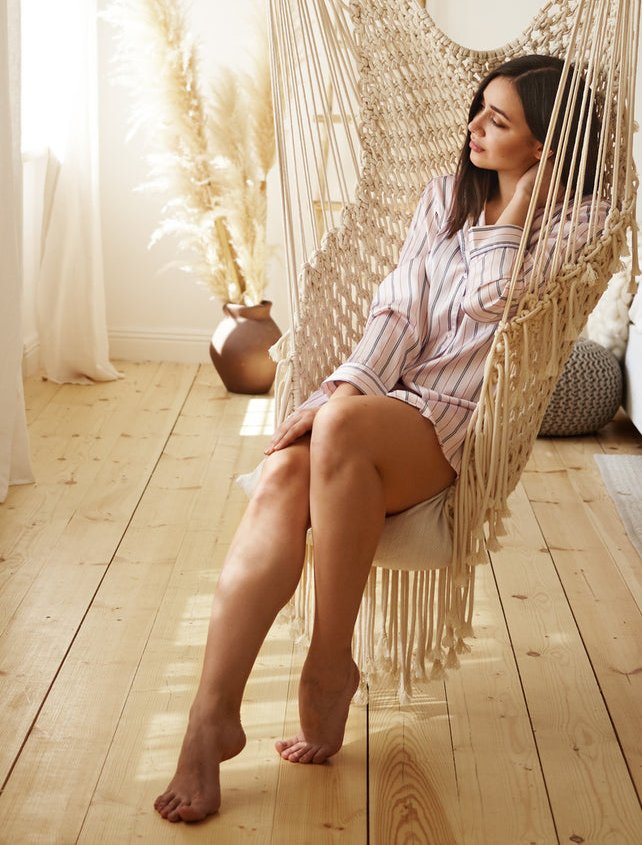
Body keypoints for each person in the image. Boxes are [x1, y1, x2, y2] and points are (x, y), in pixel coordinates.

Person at [155, 55, 600, 823]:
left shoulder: (579, 222)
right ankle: (210, 717)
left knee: (339, 430)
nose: (475, 130)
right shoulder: (441, 200)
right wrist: (336, 393)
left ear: (544, 146)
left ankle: (328, 662)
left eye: (499, 121)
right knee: (280, 476)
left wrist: (518, 213)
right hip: (383, 409)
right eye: (479, 112)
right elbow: (396, 316)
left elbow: (499, 300)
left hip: (459, 425)